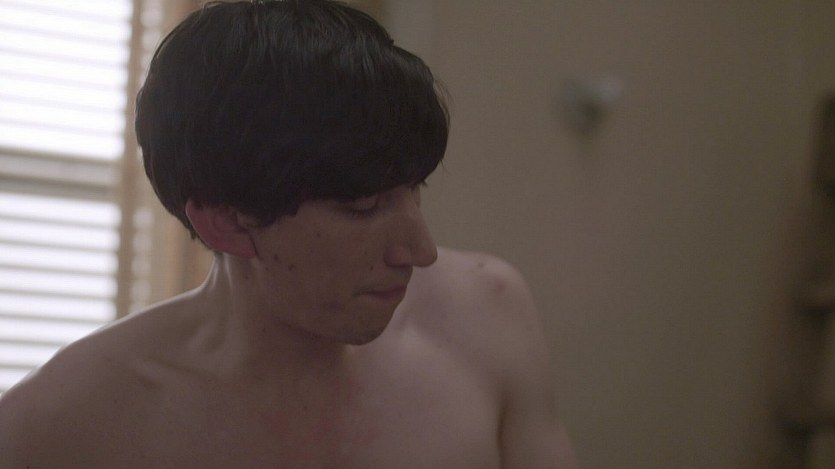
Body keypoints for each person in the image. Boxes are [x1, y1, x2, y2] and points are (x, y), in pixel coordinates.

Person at [0, 1, 577, 467]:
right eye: (363, 207)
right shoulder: (65, 420)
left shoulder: (485, 315)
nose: (420, 250)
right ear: (226, 221)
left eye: (414, 189)